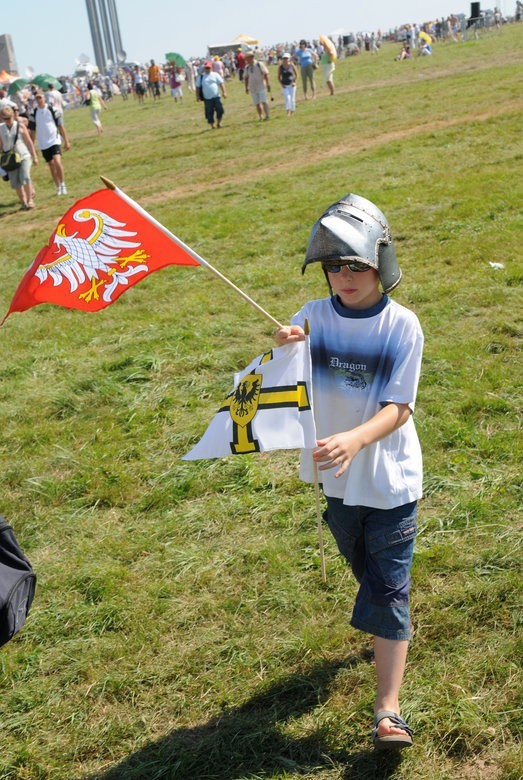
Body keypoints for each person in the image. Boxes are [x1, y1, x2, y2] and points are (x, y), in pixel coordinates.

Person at [275, 193, 423, 752]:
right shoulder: (311, 317)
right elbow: (284, 376)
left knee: (386, 588)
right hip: (334, 483)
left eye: (356, 264)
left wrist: (356, 440)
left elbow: (399, 406)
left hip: (389, 481)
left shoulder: (402, 326)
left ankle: (388, 711)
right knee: (366, 571)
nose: (344, 276)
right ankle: (391, 618)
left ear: (380, 262)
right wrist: (283, 346)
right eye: (334, 266)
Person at [28, 92, 71, 195]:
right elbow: (32, 131)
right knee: (51, 165)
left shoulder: (53, 110)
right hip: (43, 143)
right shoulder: (33, 113)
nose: (39, 100)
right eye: (37, 98)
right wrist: (32, 147)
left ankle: (63, 184)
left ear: (44, 98)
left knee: (57, 162)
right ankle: (58, 187)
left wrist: (66, 141)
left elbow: (61, 126)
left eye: (40, 97)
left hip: (54, 140)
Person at [0, 105, 38, 210]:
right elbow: (1, 145)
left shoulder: (20, 126)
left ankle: (30, 200)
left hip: (23, 155)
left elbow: (29, 142)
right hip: (9, 158)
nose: (7, 120)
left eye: (9, 118)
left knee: (25, 177)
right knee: (16, 182)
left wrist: (34, 156)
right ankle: (23, 202)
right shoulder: (0, 129)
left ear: (13, 115)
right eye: (5, 118)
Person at [196, 61, 227, 129]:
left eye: (209, 68)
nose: (207, 69)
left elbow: (221, 83)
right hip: (207, 98)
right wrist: (197, 96)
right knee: (209, 113)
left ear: (211, 68)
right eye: (206, 68)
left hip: (216, 96)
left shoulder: (215, 75)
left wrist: (224, 92)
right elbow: (198, 87)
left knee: (220, 110)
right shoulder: (201, 77)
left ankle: (219, 123)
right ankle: (212, 125)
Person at [244, 51, 271, 121]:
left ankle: (267, 115)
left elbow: (265, 74)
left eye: (247, 58)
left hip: (261, 86)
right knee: (257, 103)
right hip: (253, 87)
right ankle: (261, 116)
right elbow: (246, 78)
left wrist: (268, 84)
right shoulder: (247, 67)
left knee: (264, 101)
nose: (246, 60)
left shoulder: (259, 64)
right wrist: (246, 87)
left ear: (252, 57)